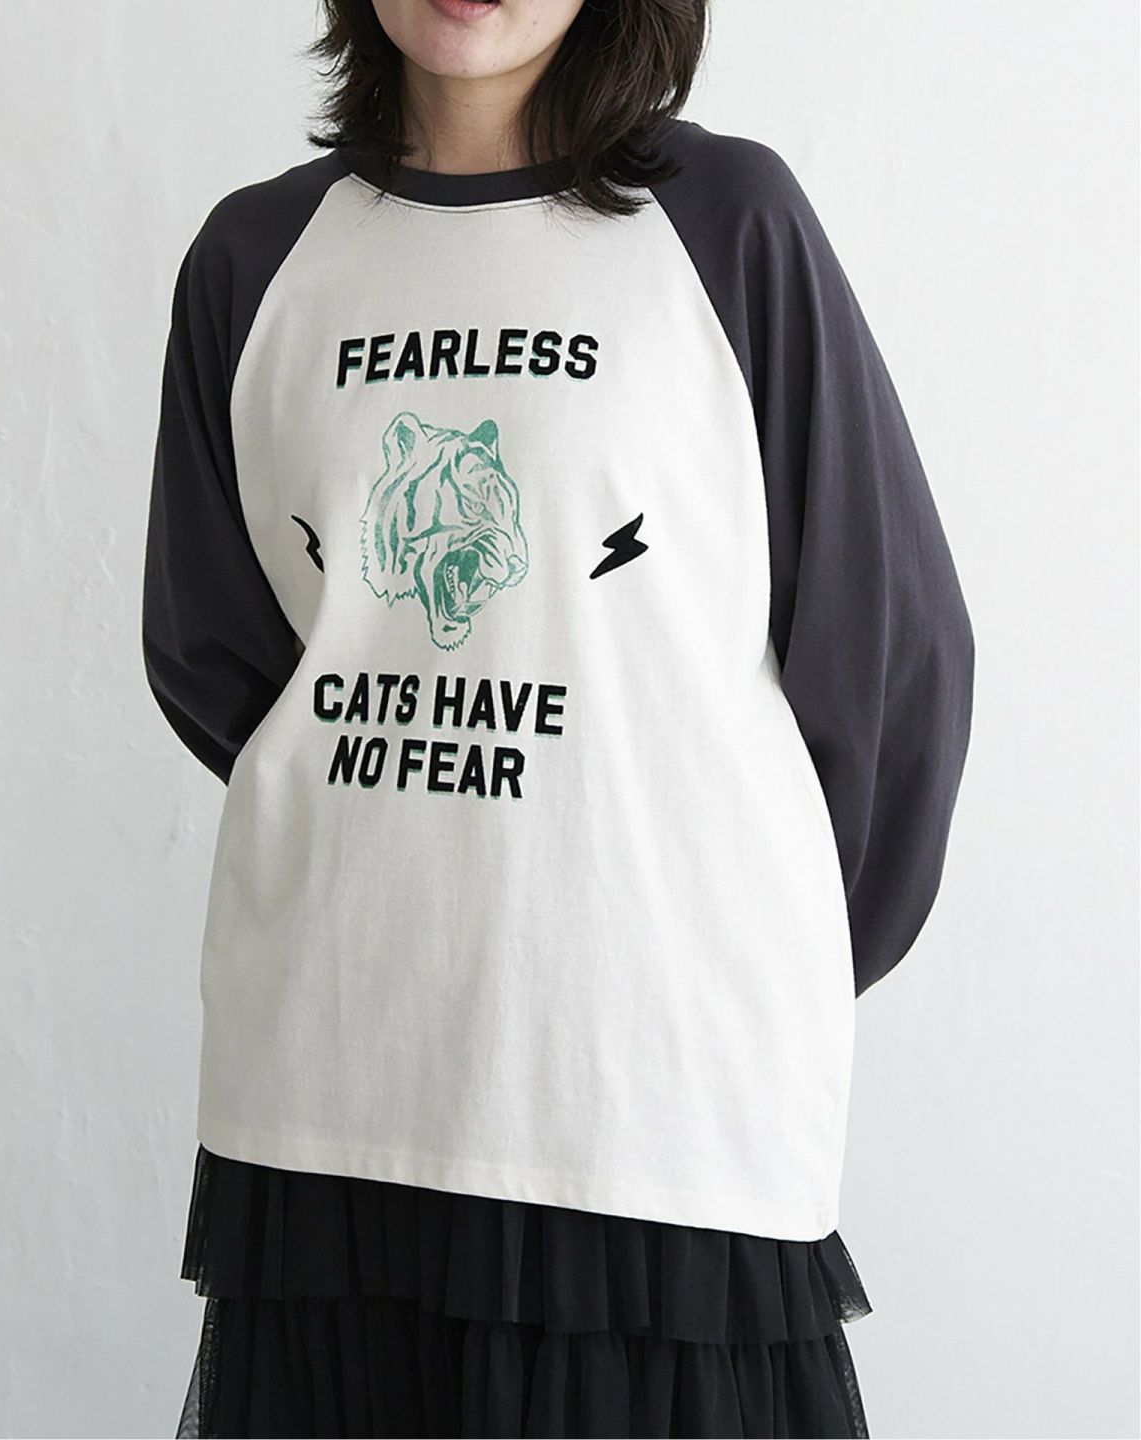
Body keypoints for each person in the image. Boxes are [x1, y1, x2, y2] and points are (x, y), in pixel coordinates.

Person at [142, 0, 976, 1435]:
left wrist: (720, 952)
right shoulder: (254, 257)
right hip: (335, 1082)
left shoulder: (727, 225)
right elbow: (217, 655)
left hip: (649, 1106)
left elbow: (893, 659)